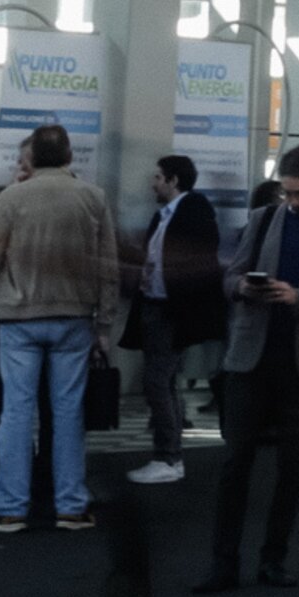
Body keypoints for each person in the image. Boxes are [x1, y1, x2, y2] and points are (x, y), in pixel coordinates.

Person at [195, 143, 299, 592]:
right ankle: (223, 562)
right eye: (287, 193)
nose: (294, 201)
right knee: (235, 464)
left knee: (292, 469)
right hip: (251, 356)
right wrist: (243, 290)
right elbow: (229, 277)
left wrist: (298, 297)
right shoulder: (264, 218)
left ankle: (274, 558)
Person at [0, 122, 118, 534]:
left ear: (32, 158)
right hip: (74, 318)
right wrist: (103, 323)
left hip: (18, 318)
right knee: (68, 414)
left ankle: (10, 508)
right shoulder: (94, 198)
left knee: (16, 414)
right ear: (70, 156)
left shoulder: (11, 198)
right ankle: (71, 506)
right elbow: (107, 268)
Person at [120, 153, 225, 486]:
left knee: (157, 381)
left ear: (173, 180)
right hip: (155, 307)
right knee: (163, 381)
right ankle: (170, 453)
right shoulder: (162, 216)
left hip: (172, 311)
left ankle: (168, 456)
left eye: (157, 177)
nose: (152, 182)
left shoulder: (194, 212)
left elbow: (197, 262)